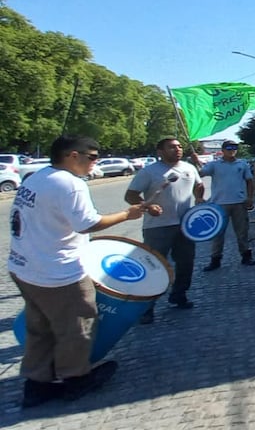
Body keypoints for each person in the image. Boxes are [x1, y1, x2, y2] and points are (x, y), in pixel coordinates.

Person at [8, 135, 147, 407]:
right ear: (73, 155)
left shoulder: (38, 177)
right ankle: (75, 379)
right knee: (77, 327)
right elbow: (88, 224)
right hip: (57, 273)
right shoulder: (70, 185)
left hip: (24, 267)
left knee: (40, 328)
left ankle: (36, 384)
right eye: (92, 157)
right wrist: (126, 215)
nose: (95, 162)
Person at [126, 137, 205, 323]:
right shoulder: (149, 172)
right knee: (154, 266)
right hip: (157, 227)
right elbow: (130, 195)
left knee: (186, 263)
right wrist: (147, 207)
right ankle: (146, 307)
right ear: (160, 152)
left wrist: (199, 198)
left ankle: (179, 295)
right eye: (171, 147)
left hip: (186, 226)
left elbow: (199, 186)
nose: (177, 149)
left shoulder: (189, 168)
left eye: (178, 146)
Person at [198, 140, 255, 272]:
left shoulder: (242, 164)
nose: (232, 151)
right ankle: (215, 259)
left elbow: (249, 181)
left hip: (239, 203)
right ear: (223, 150)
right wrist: (197, 161)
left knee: (242, 231)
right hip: (219, 204)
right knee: (218, 233)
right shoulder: (214, 165)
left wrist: (249, 197)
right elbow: (201, 174)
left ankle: (246, 256)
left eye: (234, 148)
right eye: (229, 148)